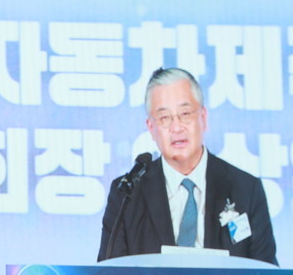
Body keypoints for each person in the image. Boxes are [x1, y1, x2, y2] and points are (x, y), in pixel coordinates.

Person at [98, 67, 276, 265]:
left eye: (185, 114)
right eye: (164, 117)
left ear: (203, 118)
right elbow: (107, 274)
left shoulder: (246, 189)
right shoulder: (127, 194)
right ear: (151, 128)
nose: (176, 127)